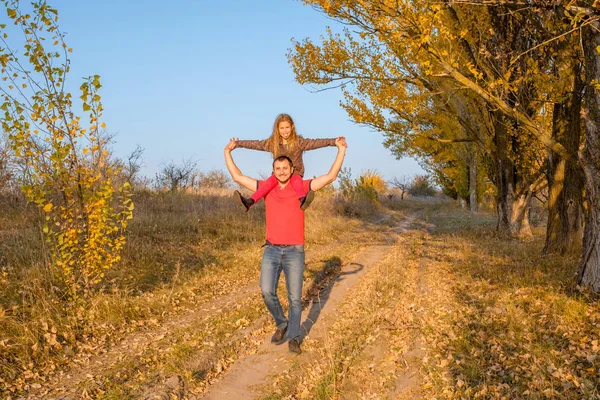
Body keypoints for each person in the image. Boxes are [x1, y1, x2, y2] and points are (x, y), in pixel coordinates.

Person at [223, 136, 348, 354]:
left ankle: (294, 337)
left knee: (294, 297)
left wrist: (341, 150)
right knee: (266, 291)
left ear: (292, 170)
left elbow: (330, 176)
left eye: (285, 167)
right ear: (273, 170)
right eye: (277, 168)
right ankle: (282, 323)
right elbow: (237, 176)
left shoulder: (302, 186)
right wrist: (228, 152)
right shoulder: (267, 188)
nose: (281, 171)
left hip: (294, 251)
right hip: (271, 249)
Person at [230, 113, 341, 211]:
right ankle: (249, 202)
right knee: (267, 184)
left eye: (287, 127)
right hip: (278, 174)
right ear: (277, 129)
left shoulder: (298, 142)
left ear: (292, 127)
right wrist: (238, 143)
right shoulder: (273, 143)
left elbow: (316, 143)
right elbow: (256, 144)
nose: (285, 131)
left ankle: (303, 199)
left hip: (296, 172)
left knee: (297, 181)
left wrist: (333, 141)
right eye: (282, 128)